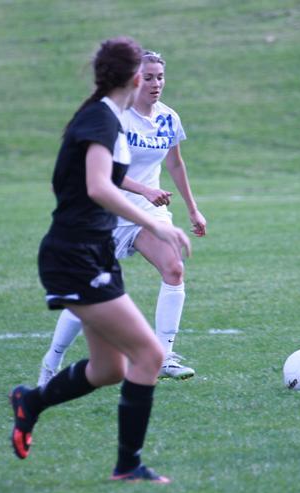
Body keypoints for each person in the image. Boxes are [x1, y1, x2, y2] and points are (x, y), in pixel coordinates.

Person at [9, 36, 191, 483]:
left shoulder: (105, 115)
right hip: (75, 255)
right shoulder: (101, 119)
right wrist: (156, 225)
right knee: (148, 355)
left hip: (93, 252)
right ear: (135, 78)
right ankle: (128, 467)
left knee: (110, 369)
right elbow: (97, 186)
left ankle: (30, 401)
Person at [37, 50, 206, 386]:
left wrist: (192, 208)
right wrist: (143, 190)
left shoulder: (168, 117)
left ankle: (164, 356)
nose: (156, 83)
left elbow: (175, 163)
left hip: (148, 213)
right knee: (87, 294)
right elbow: (103, 176)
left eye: (160, 77)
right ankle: (51, 364)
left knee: (174, 268)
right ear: (134, 79)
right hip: (109, 213)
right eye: (149, 77)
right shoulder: (115, 119)